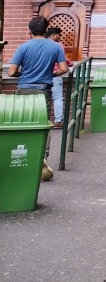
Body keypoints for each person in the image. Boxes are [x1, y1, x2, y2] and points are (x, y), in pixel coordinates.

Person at [8, 16, 68, 178]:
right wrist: (50, 73)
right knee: (43, 125)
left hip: (23, 90)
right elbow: (63, 69)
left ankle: (21, 155)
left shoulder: (23, 47)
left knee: (21, 123)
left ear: (30, 32)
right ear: (46, 30)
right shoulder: (55, 47)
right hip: (43, 91)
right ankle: (42, 157)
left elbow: (11, 72)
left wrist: (25, 74)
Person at [46, 26, 69, 128]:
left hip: (42, 75)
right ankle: (58, 121)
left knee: (43, 98)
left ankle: (42, 120)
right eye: (59, 35)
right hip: (55, 73)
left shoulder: (41, 44)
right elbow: (63, 60)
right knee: (57, 98)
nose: (60, 37)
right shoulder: (58, 46)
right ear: (54, 35)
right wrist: (70, 63)